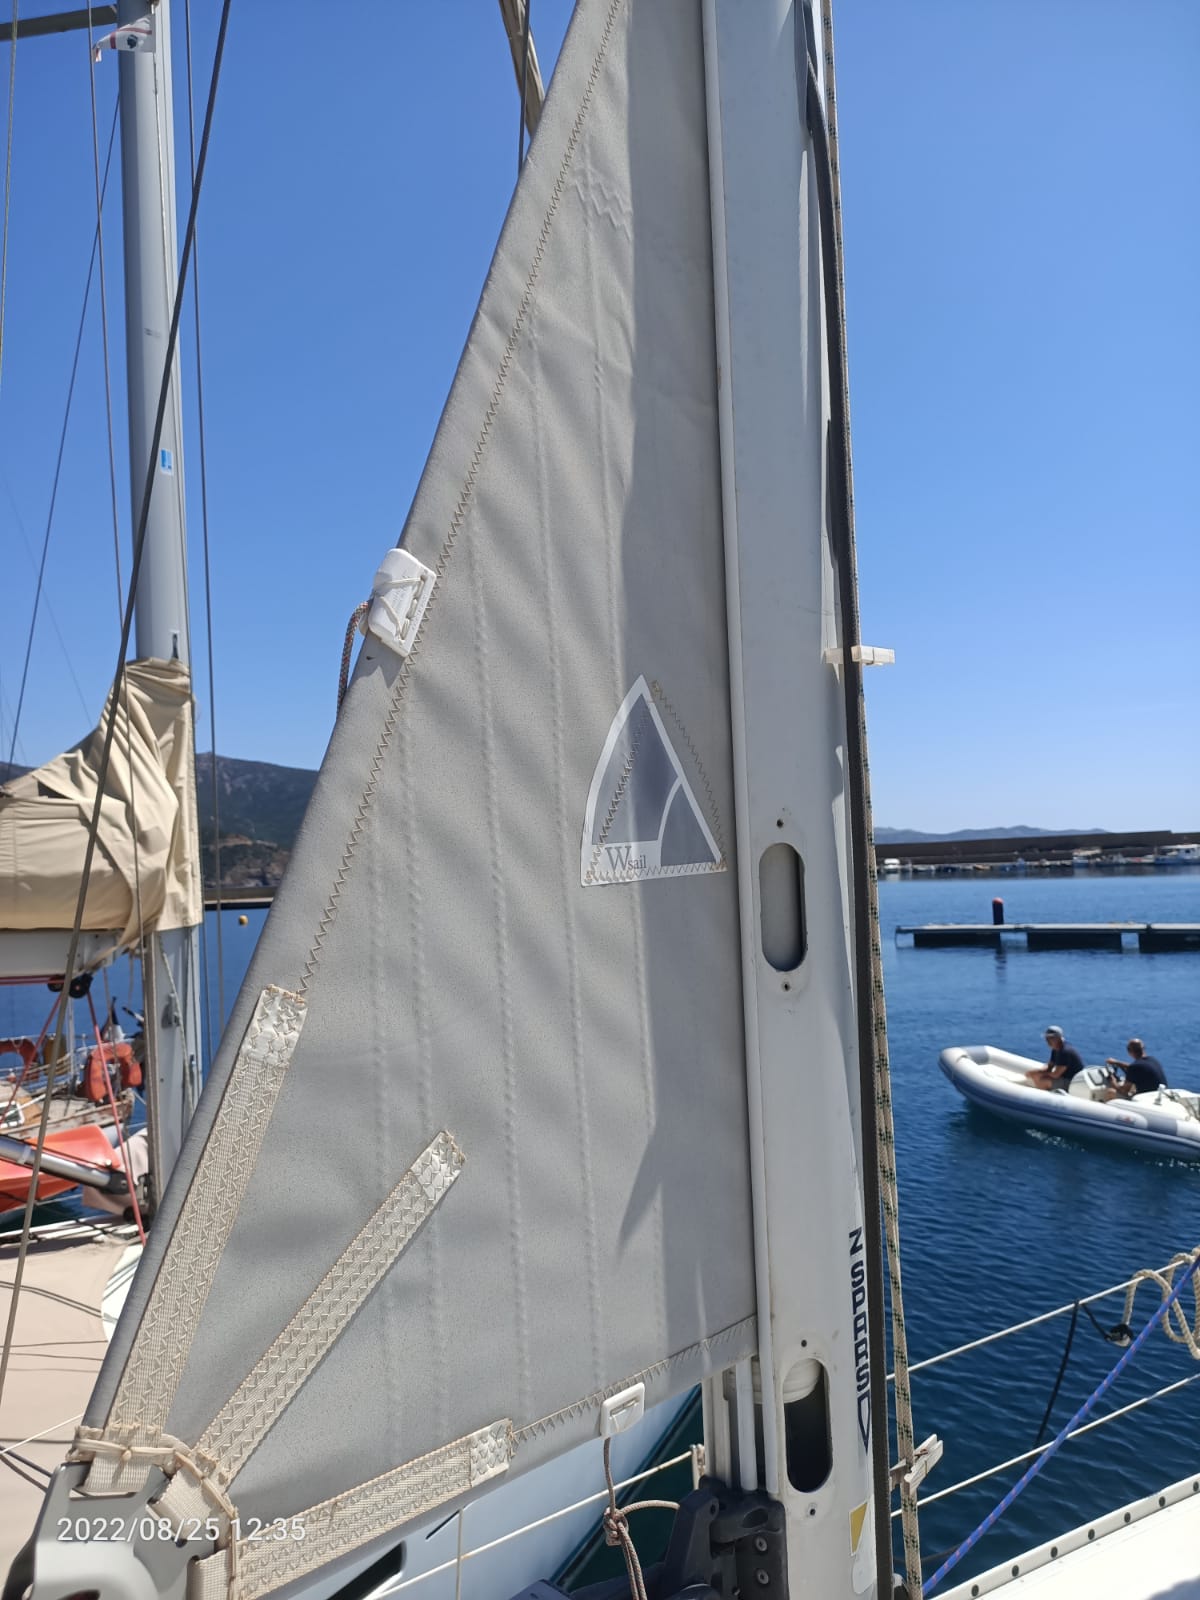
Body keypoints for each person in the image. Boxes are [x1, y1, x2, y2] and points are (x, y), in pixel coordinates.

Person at [1025, 1026, 1086, 1091]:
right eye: (1047, 1038)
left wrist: (1039, 1073)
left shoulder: (1065, 1051)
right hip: (1064, 1077)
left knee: (1044, 1081)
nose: (1048, 1041)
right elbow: (1049, 1067)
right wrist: (1036, 1072)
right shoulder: (1055, 1049)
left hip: (1072, 1082)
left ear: (1058, 1038)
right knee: (1037, 1076)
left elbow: (1056, 1075)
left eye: (1051, 1038)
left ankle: (1043, 1093)